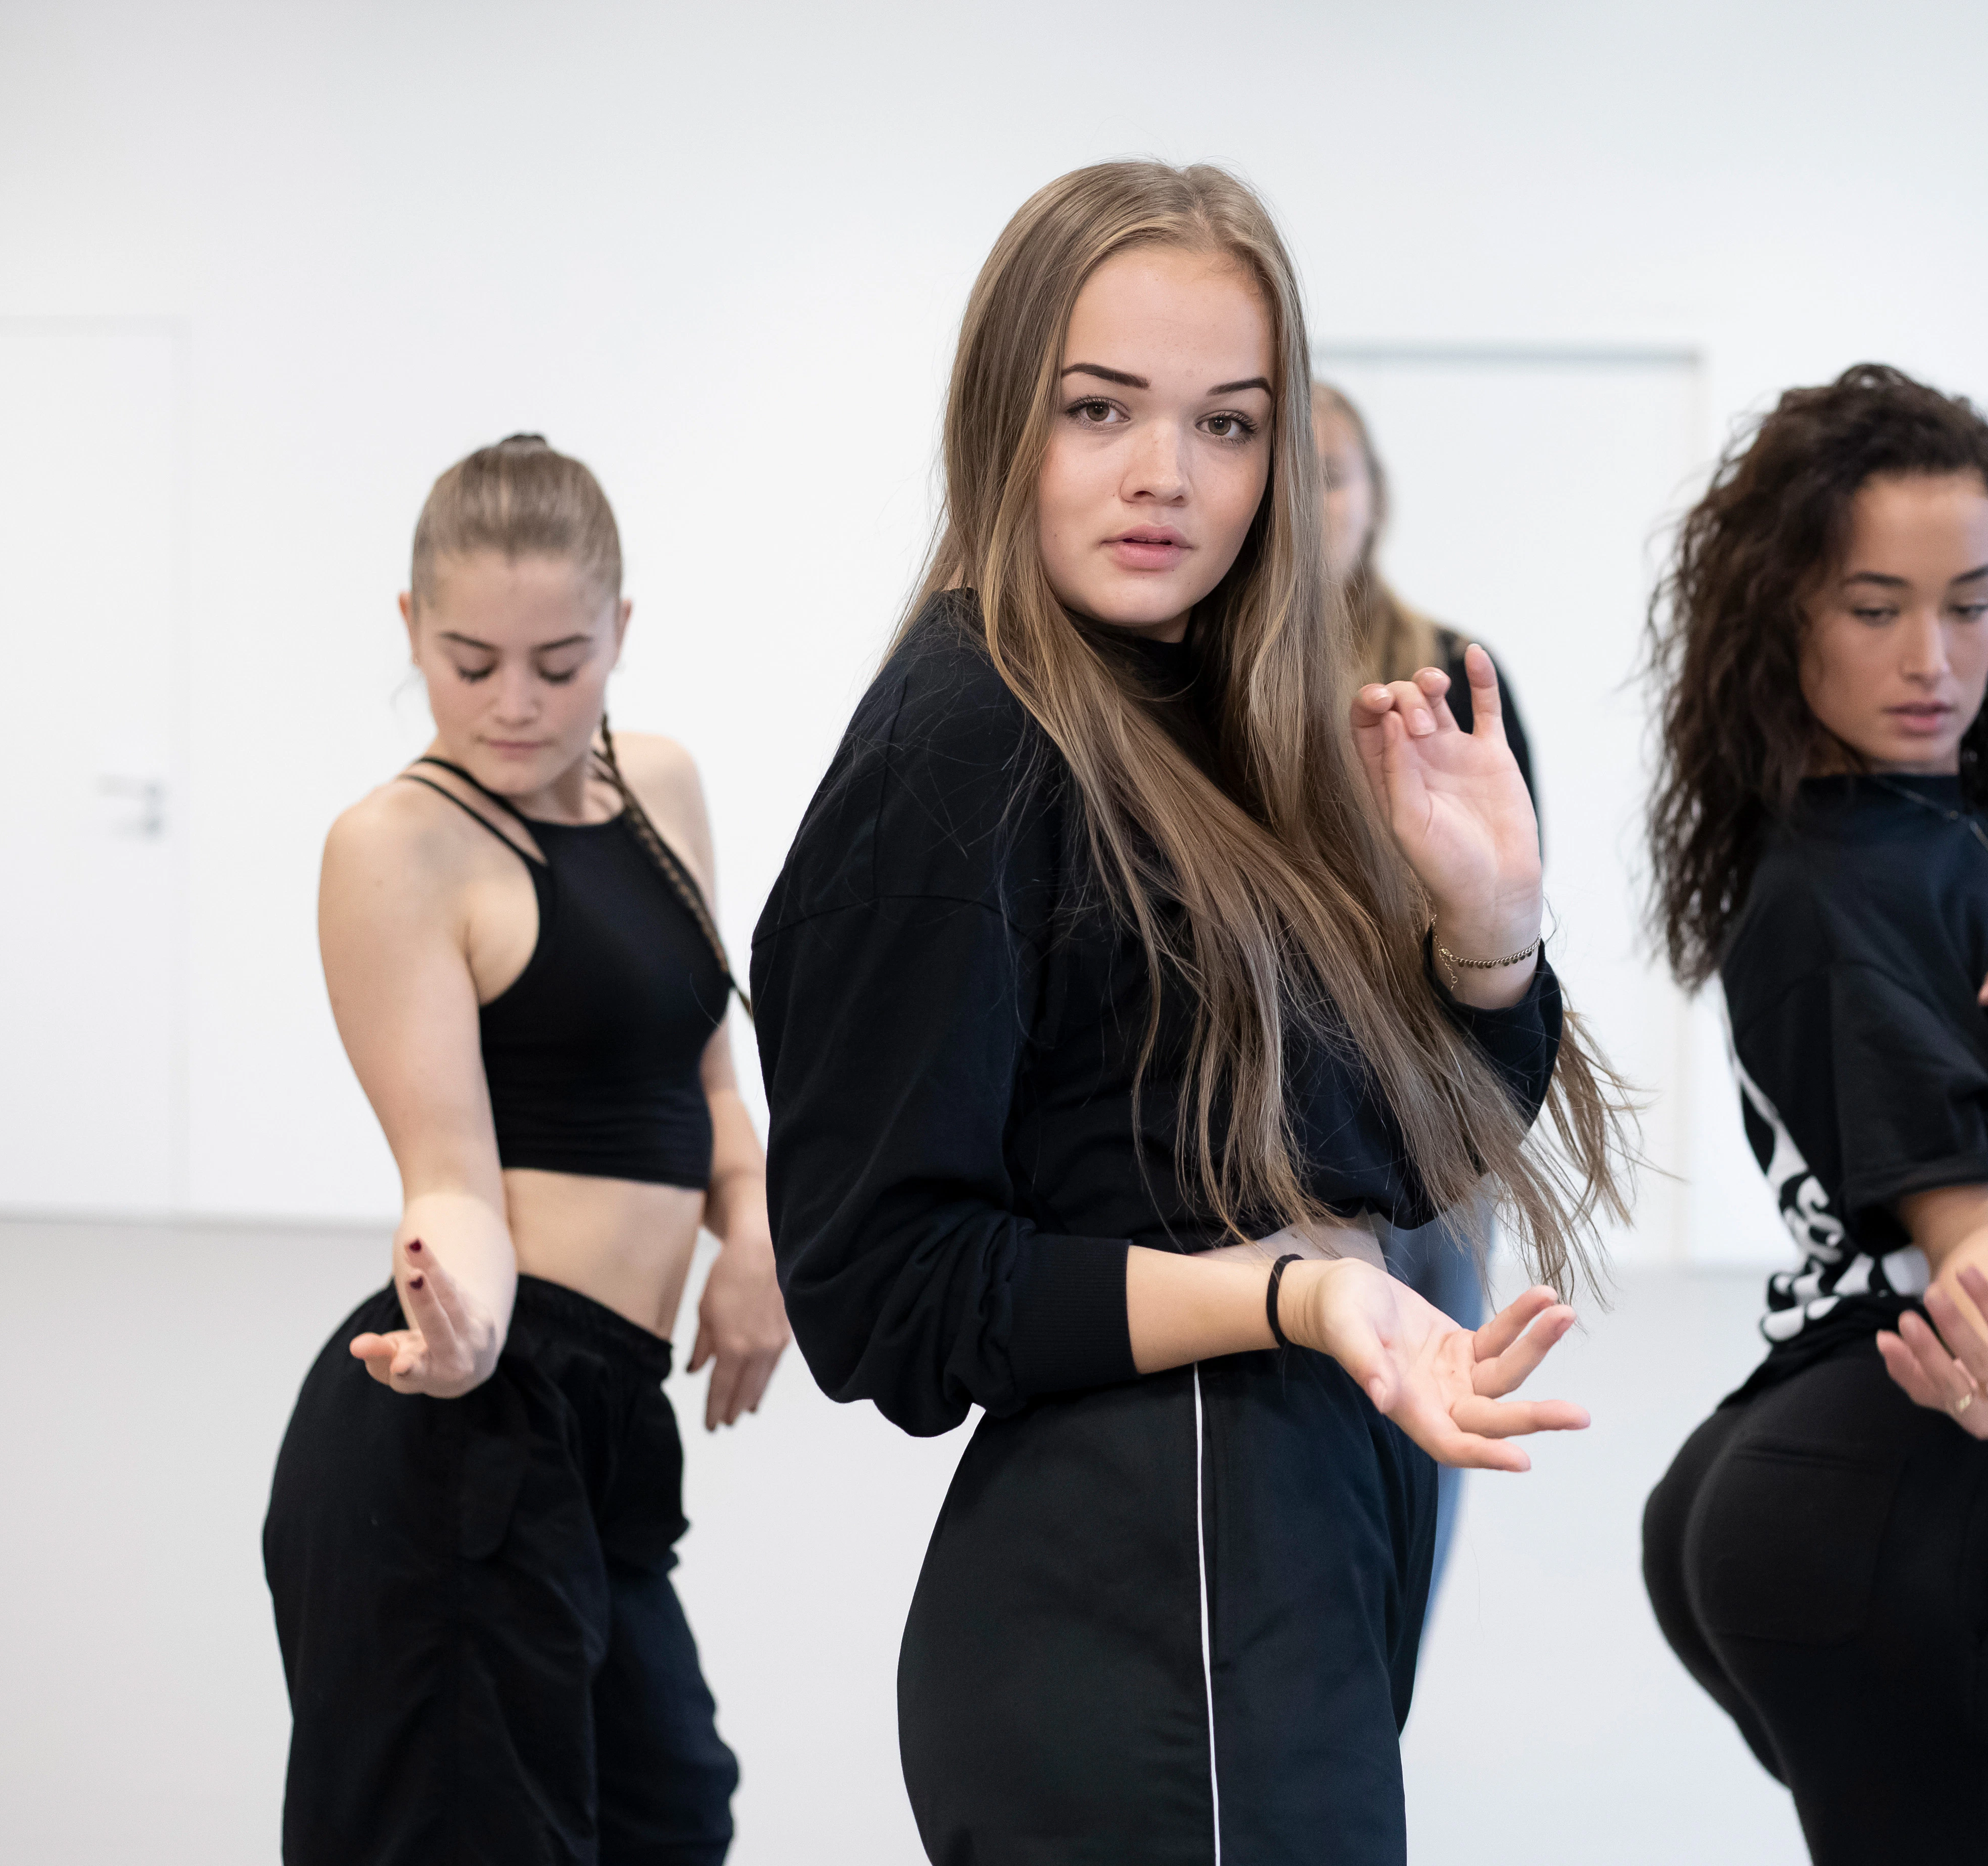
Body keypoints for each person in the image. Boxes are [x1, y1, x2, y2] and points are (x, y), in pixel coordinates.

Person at [751, 161, 1627, 1866]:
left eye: (1228, 425)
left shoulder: (1196, 718)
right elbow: (882, 1290)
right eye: (1101, 409)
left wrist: (1492, 931)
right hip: (1151, 1604)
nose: (1167, 477)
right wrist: (1287, 1295)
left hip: (1276, 1563)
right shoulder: (966, 743)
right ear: (1002, 409)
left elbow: (1375, 1149)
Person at [1636, 365, 1988, 1865]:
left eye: (1974, 601)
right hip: (1889, 1479)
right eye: (1875, 606)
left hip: (1841, 1469)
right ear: (1783, 612)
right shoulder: (1839, 882)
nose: (1935, 657)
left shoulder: (1974, 832)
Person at [263, 436, 786, 1866]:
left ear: (622, 630)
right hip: (471, 1402)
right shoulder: (396, 846)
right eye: (467, 659)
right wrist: (464, 1328)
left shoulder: (661, 785)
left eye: (560, 661)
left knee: (668, 1808)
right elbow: (450, 1176)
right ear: (409, 631)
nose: (514, 702)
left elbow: (710, 1077)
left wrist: (753, 1236)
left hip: (609, 1412)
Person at [1316, 378, 1545, 1596]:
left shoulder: (1453, 678)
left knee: (1435, 1417)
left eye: (1332, 471)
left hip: (1437, 1121)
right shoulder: (1211, 685)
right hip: (1285, 1140)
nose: (1307, 498)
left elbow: (1510, 907)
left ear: (1375, 498)